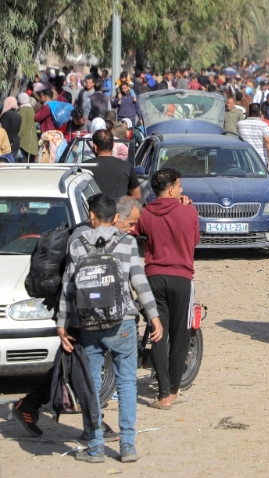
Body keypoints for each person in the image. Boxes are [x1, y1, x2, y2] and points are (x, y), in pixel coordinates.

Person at [7, 196, 144, 439]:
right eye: (129, 223)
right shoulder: (82, 237)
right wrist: (64, 320)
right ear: (115, 217)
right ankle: (94, 426)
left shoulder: (93, 233)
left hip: (81, 312)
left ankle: (29, 405)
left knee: (68, 365)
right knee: (78, 369)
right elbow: (72, 283)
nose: (131, 229)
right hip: (78, 314)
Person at [56, 194, 163, 463]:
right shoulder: (127, 242)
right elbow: (139, 282)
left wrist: (62, 324)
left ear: (91, 216)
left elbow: (69, 287)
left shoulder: (77, 244)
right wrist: (154, 316)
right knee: (127, 383)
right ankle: (127, 446)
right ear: (115, 216)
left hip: (88, 324)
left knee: (91, 385)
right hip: (123, 322)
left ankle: (95, 448)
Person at [131, 168, 199, 409]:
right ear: (171, 189)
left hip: (154, 279)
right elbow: (194, 241)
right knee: (181, 334)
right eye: (179, 186)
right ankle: (172, 390)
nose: (182, 190)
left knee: (157, 334)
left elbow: (133, 231)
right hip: (182, 278)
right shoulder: (188, 211)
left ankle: (162, 395)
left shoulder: (146, 214)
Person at [85, 130, 141, 201]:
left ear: (95, 147)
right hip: (119, 211)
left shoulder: (84, 168)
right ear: (113, 145)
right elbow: (137, 195)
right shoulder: (126, 167)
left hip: (91, 211)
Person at [238, 103, 269, 168]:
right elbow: (268, 141)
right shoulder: (264, 125)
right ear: (260, 112)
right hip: (260, 161)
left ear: (249, 112)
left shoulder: (240, 124)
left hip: (244, 160)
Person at [17, 92, 38, 162]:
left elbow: (22, 125)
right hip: (32, 140)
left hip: (25, 140)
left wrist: (18, 136)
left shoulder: (22, 110)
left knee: (24, 162)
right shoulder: (31, 109)